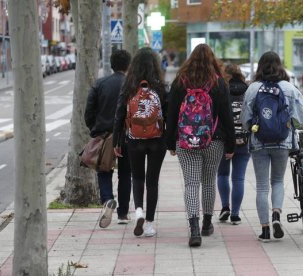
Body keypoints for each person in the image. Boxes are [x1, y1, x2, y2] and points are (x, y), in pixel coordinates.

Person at [241, 51, 303, 242]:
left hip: (258, 143)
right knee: (278, 181)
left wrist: (251, 129)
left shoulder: (253, 89)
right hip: (282, 142)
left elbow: (245, 118)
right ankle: (276, 216)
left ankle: (265, 230)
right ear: (279, 65)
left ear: (260, 66)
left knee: (262, 187)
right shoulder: (288, 88)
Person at [165, 44, 235, 247]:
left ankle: (193, 229)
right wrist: (231, 145)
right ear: (212, 60)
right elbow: (227, 117)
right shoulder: (219, 83)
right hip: (214, 140)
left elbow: (171, 114)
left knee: (191, 183)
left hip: (185, 141)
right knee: (209, 181)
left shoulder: (180, 82)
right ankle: (206, 223)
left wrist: (170, 142)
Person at [113, 47, 167, 237]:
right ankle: (150, 224)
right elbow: (167, 114)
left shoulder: (129, 85)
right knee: (152, 181)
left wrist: (117, 142)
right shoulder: (160, 86)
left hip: (133, 140)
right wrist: (171, 141)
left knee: (137, 177)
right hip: (157, 140)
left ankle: (138, 212)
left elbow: (120, 114)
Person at [84, 49, 132, 228]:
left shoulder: (100, 84)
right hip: (127, 136)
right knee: (126, 174)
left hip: (105, 135)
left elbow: (89, 112)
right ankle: (123, 213)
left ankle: (108, 199)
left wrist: (95, 130)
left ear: (111, 65)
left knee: (103, 170)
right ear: (128, 65)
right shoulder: (132, 85)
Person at [217, 64, 250, 225]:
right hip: (244, 141)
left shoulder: (222, 90)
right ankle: (235, 214)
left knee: (222, 175)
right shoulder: (249, 91)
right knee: (239, 178)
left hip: (224, 141)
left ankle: (225, 208)